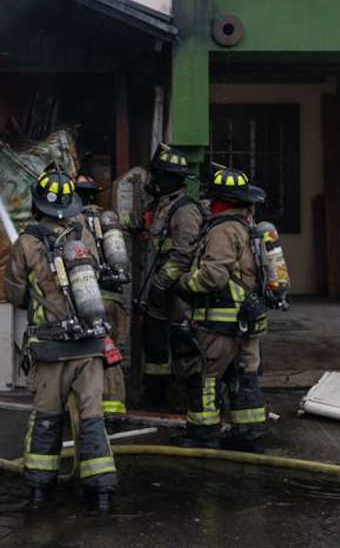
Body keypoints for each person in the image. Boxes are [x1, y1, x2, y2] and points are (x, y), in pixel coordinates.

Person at [4, 168, 118, 512]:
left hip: (50, 348)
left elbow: (15, 293)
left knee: (47, 420)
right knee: (93, 420)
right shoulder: (82, 238)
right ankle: (101, 494)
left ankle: (40, 492)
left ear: (37, 204)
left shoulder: (26, 242)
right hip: (89, 347)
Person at [173, 166, 276, 452]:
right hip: (247, 319)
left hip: (220, 322)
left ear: (219, 200)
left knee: (205, 377)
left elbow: (214, 276)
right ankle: (249, 434)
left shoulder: (223, 230)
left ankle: (202, 434)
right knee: (245, 377)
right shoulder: (247, 227)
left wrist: (183, 282)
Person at [141, 144, 205, 407]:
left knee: (183, 344)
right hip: (160, 293)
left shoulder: (185, 210)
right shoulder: (163, 206)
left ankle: (190, 402)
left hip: (178, 292)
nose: (154, 181)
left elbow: (182, 255)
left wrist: (161, 283)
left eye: (158, 175)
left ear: (171, 179)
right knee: (154, 342)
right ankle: (157, 398)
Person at [74, 174, 130, 416]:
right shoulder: (109, 222)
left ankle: (93, 411)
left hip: (90, 299)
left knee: (90, 356)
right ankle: (115, 410)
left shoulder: (73, 223)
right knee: (113, 353)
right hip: (115, 299)